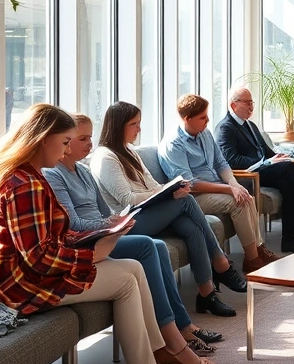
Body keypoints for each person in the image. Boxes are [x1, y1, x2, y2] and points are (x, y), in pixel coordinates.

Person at [0, 104, 212, 364]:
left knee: (132, 268)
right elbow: (37, 258)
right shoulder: (26, 185)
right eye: (65, 142)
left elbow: (53, 237)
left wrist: (99, 238)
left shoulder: (29, 177)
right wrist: (91, 254)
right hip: (18, 286)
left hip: (22, 276)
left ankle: (158, 357)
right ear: (44, 139)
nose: (65, 151)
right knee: (127, 278)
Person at [44, 113, 231, 358]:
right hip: (90, 240)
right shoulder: (54, 175)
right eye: (80, 139)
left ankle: (183, 326)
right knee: (150, 241)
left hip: (106, 232)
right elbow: (75, 224)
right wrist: (109, 223)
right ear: (63, 142)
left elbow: (105, 211)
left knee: (167, 240)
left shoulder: (84, 170)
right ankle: (177, 329)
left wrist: (115, 220)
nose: (89, 143)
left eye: (90, 137)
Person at [89, 101, 248, 316]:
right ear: (118, 126)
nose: (139, 129)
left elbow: (152, 184)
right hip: (128, 223)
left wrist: (169, 189)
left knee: (191, 227)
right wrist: (165, 195)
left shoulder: (130, 152)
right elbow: (127, 199)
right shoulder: (105, 157)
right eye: (134, 124)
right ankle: (220, 261)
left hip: (148, 213)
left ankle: (207, 295)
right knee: (186, 200)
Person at [214, 86, 294, 253]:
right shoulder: (225, 128)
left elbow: (266, 151)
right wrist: (266, 161)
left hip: (262, 171)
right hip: (247, 176)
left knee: (287, 184)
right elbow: (232, 161)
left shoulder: (250, 126)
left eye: (252, 103)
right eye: (246, 103)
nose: (251, 107)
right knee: (287, 168)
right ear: (233, 105)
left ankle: (289, 239)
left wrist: (277, 156)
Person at [157, 94, 276, 274]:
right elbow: (190, 184)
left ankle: (258, 249)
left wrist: (234, 184)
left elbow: (221, 163)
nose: (208, 121)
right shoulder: (173, 144)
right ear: (187, 119)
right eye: (203, 118)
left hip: (215, 188)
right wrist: (229, 189)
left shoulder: (205, 133)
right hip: (192, 198)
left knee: (247, 197)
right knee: (239, 202)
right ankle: (252, 259)